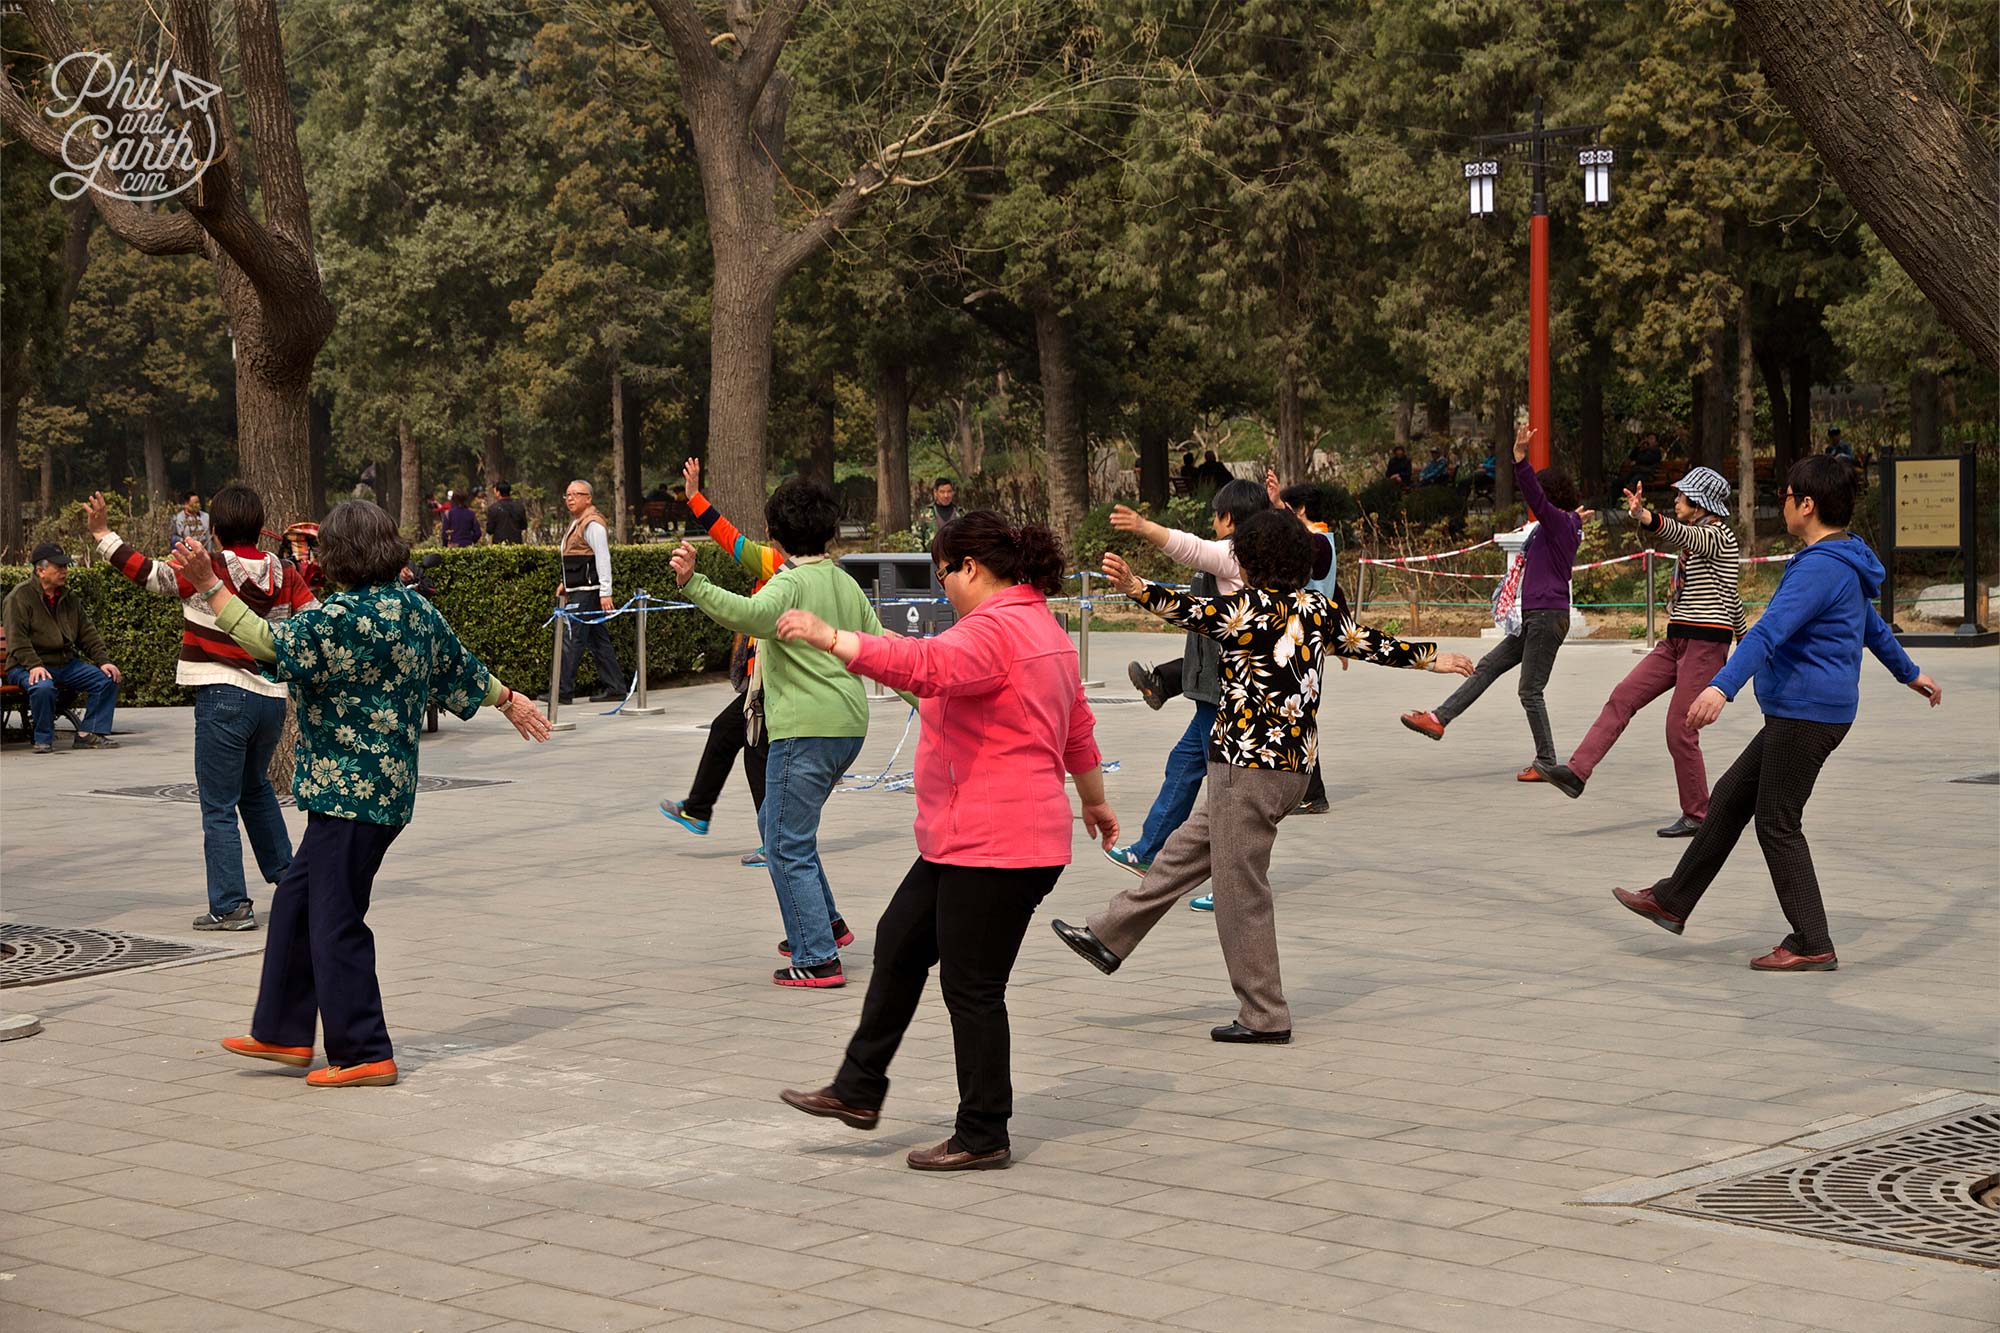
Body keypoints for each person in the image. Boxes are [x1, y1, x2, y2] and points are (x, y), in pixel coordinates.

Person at [772, 511, 1116, 1171]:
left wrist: (831, 637)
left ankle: (984, 1131)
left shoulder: (997, 629)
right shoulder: (1041, 625)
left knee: (973, 986)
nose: (943, 588)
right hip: (970, 839)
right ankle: (858, 1087)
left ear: (973, 568)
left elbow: (926, 665)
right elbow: (1077, 727)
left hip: (999, 843)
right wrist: (1095, 800)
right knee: (901, 942)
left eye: (945, 574)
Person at [1051, 515, 1471, 1043]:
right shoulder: (1320, 609)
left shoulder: (1247, 608)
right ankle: (1107, 935)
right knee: (1186, 851)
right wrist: (1434, 658)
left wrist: (1136, 587)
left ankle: (1264, 1015)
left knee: (1239, 891)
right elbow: (1373, 644)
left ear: (1250, 561)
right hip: (1292, 768)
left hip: (1245, 767)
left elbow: (1190, 609)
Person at [174, 503, 551, 1086]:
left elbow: (267, 644)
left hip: (349, 797)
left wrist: (208, 585)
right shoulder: (415, 608)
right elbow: (463, 670)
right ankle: (283, 1031)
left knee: (334, 919)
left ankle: (365, 1050)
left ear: (338, 555)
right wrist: (511, 701)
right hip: (383, 792)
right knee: (298, 904)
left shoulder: (339, 617)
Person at [1611, 456, 1941, 971]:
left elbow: (1766, 633)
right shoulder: (1844, 557)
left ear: (1806, 505)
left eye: (1786, 495)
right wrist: (1910, 672)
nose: (1782, 502)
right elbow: (1872, 627)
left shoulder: (1819, 567)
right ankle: (1673, 900)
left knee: (1777, 821)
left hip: (1807, 713)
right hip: (1807, 710)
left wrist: (1720, 688)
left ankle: (1812, 940)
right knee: (1730, 795)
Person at [671, 478, 908, 988]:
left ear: (775, 532)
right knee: (789, 831)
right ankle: (829, 925)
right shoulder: (844, 582)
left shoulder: (788, 581)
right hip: (848, 726)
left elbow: (748, 614)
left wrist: (693, 583)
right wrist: (927, 698)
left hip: (805, 729)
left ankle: (817, 956)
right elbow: (881, 645)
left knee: (781, 842)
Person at [89, 486, 318, 930]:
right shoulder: (285, 572)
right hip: (272, 701)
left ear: (215, 530)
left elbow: (148, 573)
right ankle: (295, 886)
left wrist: (103, 533)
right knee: (256, 790)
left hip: (221, 695)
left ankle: (230, 905)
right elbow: (313, 619)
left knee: (218, 804)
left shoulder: (205, 567)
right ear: (259, 524)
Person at [1537, 467, 1745, 835]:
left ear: (1699, 503)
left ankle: (1698, 814)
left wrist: (1646, 516)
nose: (1677, 500)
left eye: (1682, 496)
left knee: (1679, 729)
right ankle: (1576, 772)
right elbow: (1721, 583)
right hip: (1676, 639)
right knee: (1622, 696)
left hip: (1705, 643)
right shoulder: (1698, 536)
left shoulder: (1719, 535)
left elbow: (1691, 542)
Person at [1108, 480, 1270, 877]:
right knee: (1183, 766)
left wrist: (1146, 527)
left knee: (1226, 789)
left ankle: (1233, 879)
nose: (1212, 524)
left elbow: (1192, 547)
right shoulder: (1254, 552)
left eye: (1215, 516)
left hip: (1227, 693)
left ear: (1228, 519)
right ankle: (1149, 850)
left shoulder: (1236, 554)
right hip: (1211, 691)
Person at [1401, 425, 1582, 780]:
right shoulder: (1559, 525)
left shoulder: (1558, 522)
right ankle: (1439, 719)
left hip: (1547, 618)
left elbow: (1537, 498)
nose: (1533, 502)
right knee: (1487, 666)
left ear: (1551, 495)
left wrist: (1519, 458)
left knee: (1530, 690)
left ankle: (1546, 760)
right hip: (1536, 616)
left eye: (1540, 495)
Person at [659, 458, 780, 867]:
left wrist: (695, 499)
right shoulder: (799, 569)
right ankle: (698, 809)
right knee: (733, 736)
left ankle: (774, 842)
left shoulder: (777, 564)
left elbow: (729, 539)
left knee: (755, 752)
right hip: (760, 682)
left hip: (773, 685)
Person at [5, 543, 122, 753]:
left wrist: (104, 661)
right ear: (40, 571)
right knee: (43, 687)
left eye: (65, 567)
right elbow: (17, 639)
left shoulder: (69, 598)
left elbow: (87, 633)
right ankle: (43, 739)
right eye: (58, 567)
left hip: (65, 664)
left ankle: (89, 733)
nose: (64, 571)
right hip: (25, 666)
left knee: (107, 679)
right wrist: (34, 665)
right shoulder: (19, 597)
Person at [554, 479, 627, 704]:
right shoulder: (578, 522)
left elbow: (602, 558)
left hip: (588, 593)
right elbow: (577, 557)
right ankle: (615, 687)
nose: (571, 498)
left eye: (576, 494)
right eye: (567, 494)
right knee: (598, 641)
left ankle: (563, 691)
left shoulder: (592, 524)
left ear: (589, 498)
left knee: (572, 639)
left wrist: (606, 592)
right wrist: (565, 583)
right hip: (581, 590)